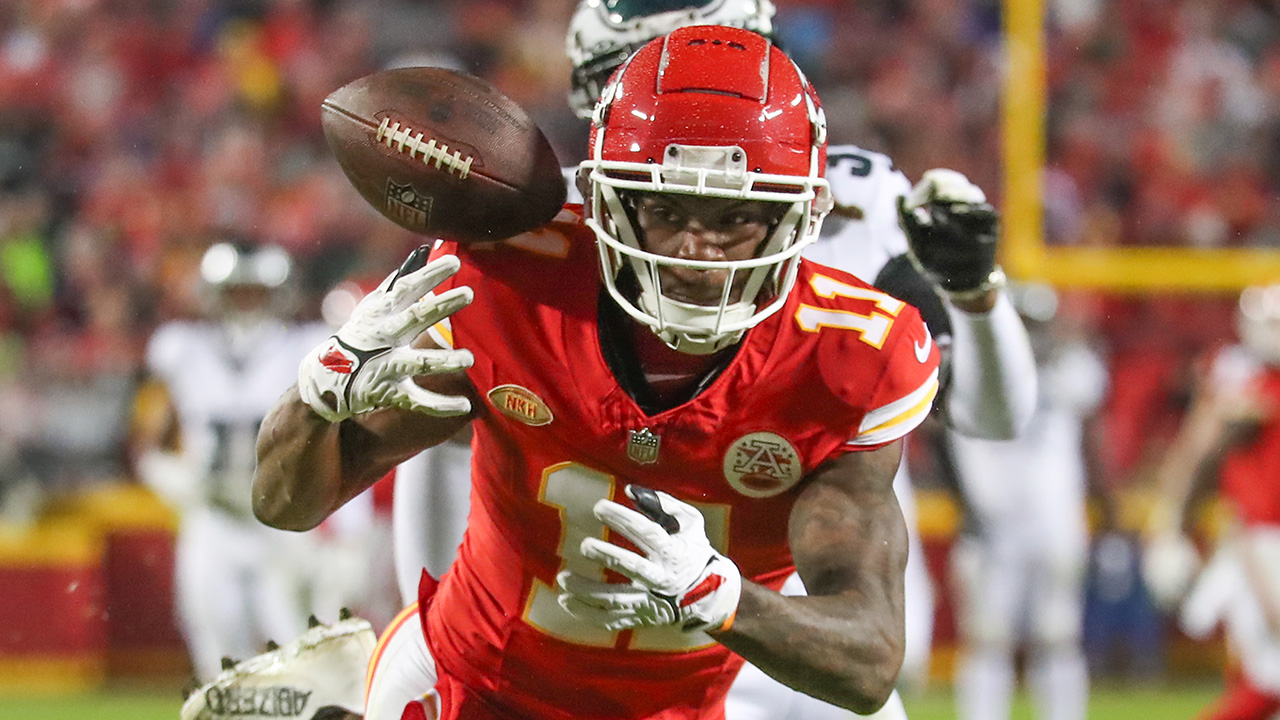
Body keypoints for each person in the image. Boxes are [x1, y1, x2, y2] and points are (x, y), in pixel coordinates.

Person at [249, 26, 940, 720]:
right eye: (666, 212)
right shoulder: (512, 281)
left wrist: (715, 594)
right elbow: (286, 503)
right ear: (611, 201)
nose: (696, 252)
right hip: (469, 681)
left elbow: (870, 661)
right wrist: (318, 394)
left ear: (801, 214)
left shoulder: (847, 356)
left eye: (735, 217)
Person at [391, 5, 1039, 720]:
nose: (692, 100)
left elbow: (991, 415)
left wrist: (978, 298)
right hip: (560, 603)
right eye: (651, 68)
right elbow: (445, 439)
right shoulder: (554, 225)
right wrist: (423, 613)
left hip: (781, 599)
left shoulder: (854, 203)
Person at [130, 240, 329, 682]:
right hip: (213, 517)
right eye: (236, 291)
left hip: (281, 518)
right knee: (218, 655)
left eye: (255, 291)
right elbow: (148, 440)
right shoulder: (182, 348)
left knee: (297, 651)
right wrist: (174, 478)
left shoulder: (304, 346)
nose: (245, 302)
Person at [944, 284, 1107, 720]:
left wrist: (1108, 511)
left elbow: (1092, 444)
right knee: (987, 637)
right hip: (993, 522)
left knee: (1058, 635)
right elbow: (939, 436)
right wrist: (966, 504)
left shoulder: (1073, 368)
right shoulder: (972, 365)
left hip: (1054, 523)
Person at [1142, 284, 1280, 720]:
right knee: (1267, 679)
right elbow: (1199, 452)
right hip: (1259, 539)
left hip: (1261, 537)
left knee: (1261, 678)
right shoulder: (1244, 383)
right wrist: (1169, 523)